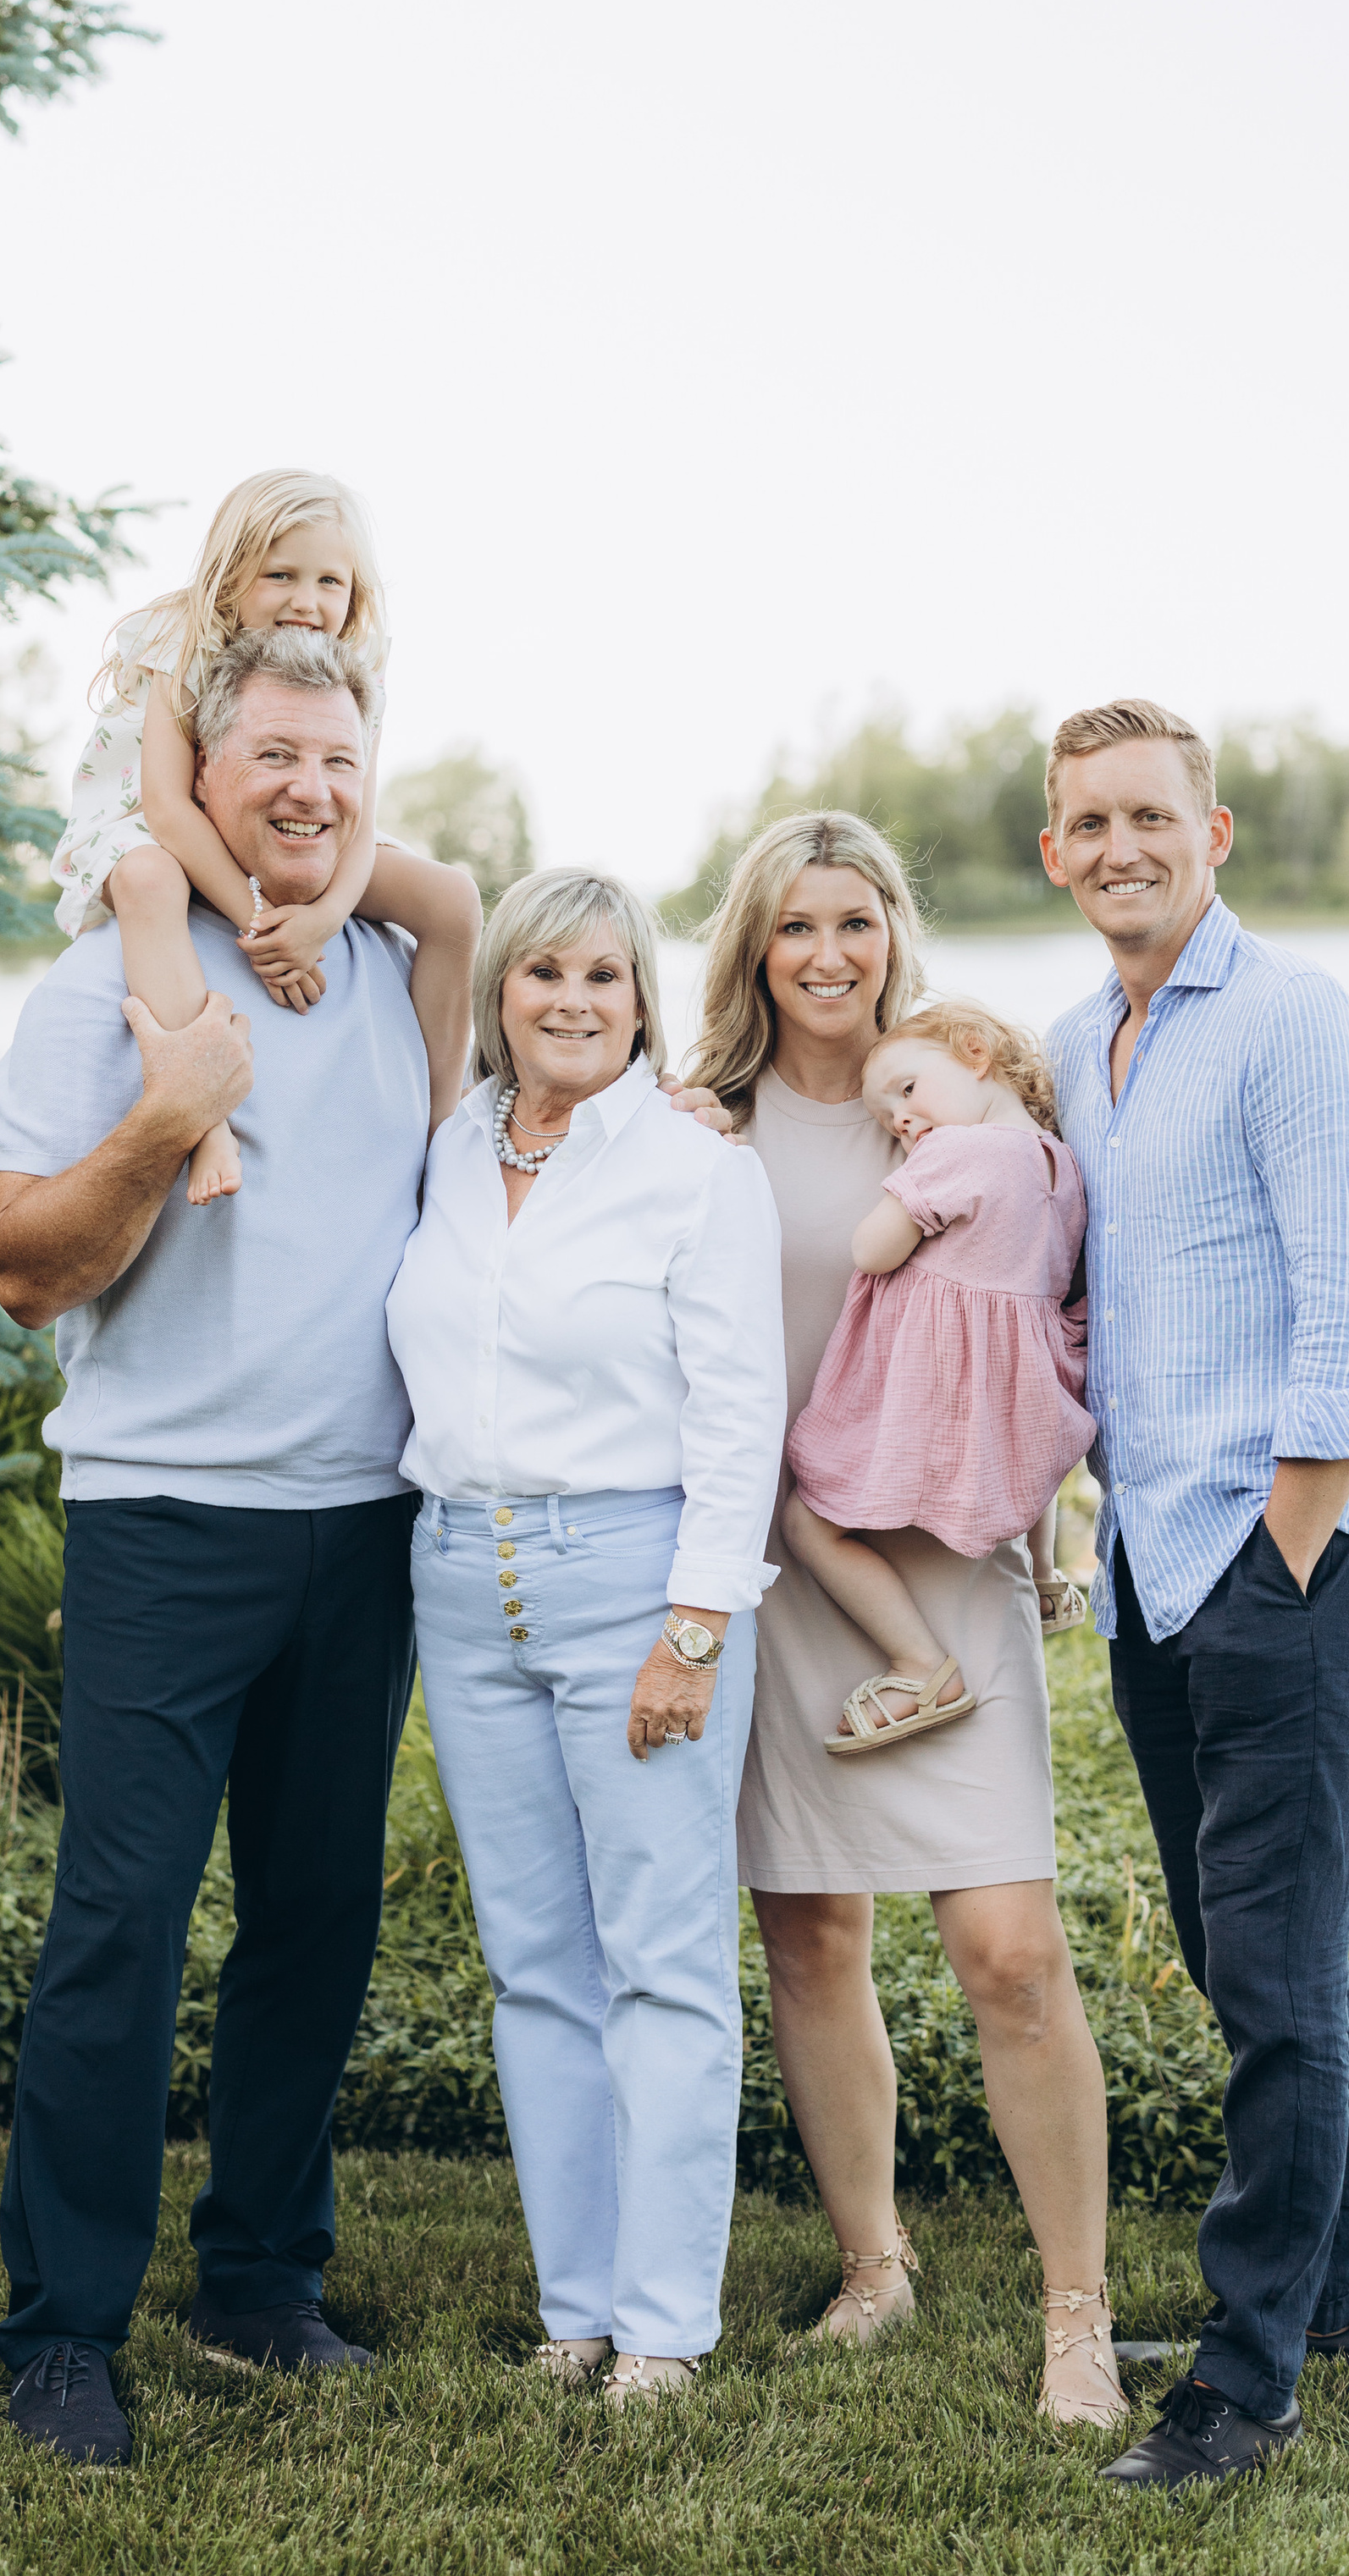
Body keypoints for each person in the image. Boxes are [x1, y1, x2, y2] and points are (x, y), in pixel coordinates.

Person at [0, 626, 437, 2468]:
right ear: (200, 770)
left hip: (365, 1524)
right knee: (119, 1929)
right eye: (271, 761)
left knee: (315, 1926)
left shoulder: (405, 980)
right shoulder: (95, 991)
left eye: (338, 761)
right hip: (165, 1523)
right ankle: (59, 2329)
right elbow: (26, 1268)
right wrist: (166, 1127)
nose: (309, 794)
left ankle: (259, 2279)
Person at [688, 813, 1124, 2430]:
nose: (827, 955)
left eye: (855, 923)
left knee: (1008, 1947)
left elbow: (1068, 1288)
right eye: (795, 926)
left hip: (950, 1545)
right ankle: (874, 2265)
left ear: (893, 937)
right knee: (810, 1929)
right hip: (784, 1555)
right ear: (754, 944)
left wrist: (1072, 1517)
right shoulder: (699, 1119)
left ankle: (1075, 2313)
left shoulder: (959, 1103)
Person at [1039, 700, 1349, 2493]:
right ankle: (1329, 2292)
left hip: (1280, 1563)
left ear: (1215, 830)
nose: (1119, 846)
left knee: (1271, 1972)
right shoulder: (1072, 1045)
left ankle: (1241, 2375)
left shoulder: (1291, 1024)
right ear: (1052, 850)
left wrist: (1280, 1552)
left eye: (1147, 817)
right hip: (1144, 1563)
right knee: (1236, 1956)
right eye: (1085, 821)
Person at [384, 869, 786, 2407]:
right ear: (499, 993)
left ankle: (667, 2328)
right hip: (460, 1578)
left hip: (636, 1580)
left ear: (642, 1003)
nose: (570, 999)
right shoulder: (449, 1151)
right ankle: (576, 2310)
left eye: (603, 978)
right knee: (535, 1965)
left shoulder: (693, 1169)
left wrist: (693, 1631)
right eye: (540, 970)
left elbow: (742, 1413)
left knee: (665, 1963)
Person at [49, 467, 479, 1200]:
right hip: (156, 820)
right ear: (231, 575)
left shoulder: (358, 658)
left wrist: (323, 917)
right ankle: (203, 1113)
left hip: (292, 824)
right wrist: (257, 921)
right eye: (281, 575)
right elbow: (167, 803)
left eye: (330, 583)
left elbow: (362, 815)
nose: (307, 603)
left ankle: (441, 1128)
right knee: (149, 881)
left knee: (452, 899)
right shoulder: (180, 637)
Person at [781, 1001, 1097, 1753]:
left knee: (808, 1521)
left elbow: (872, 1250)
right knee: (1034, 1453)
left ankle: (920, 1664)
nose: (900, 1120)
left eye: (907, 1089)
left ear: (976, 1053)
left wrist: (893, 1196)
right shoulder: (1064, 1164)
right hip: (1020, 1400)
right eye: (888, 1115)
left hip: (942, 1394)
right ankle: (1047, 1577)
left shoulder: (962, 1153)